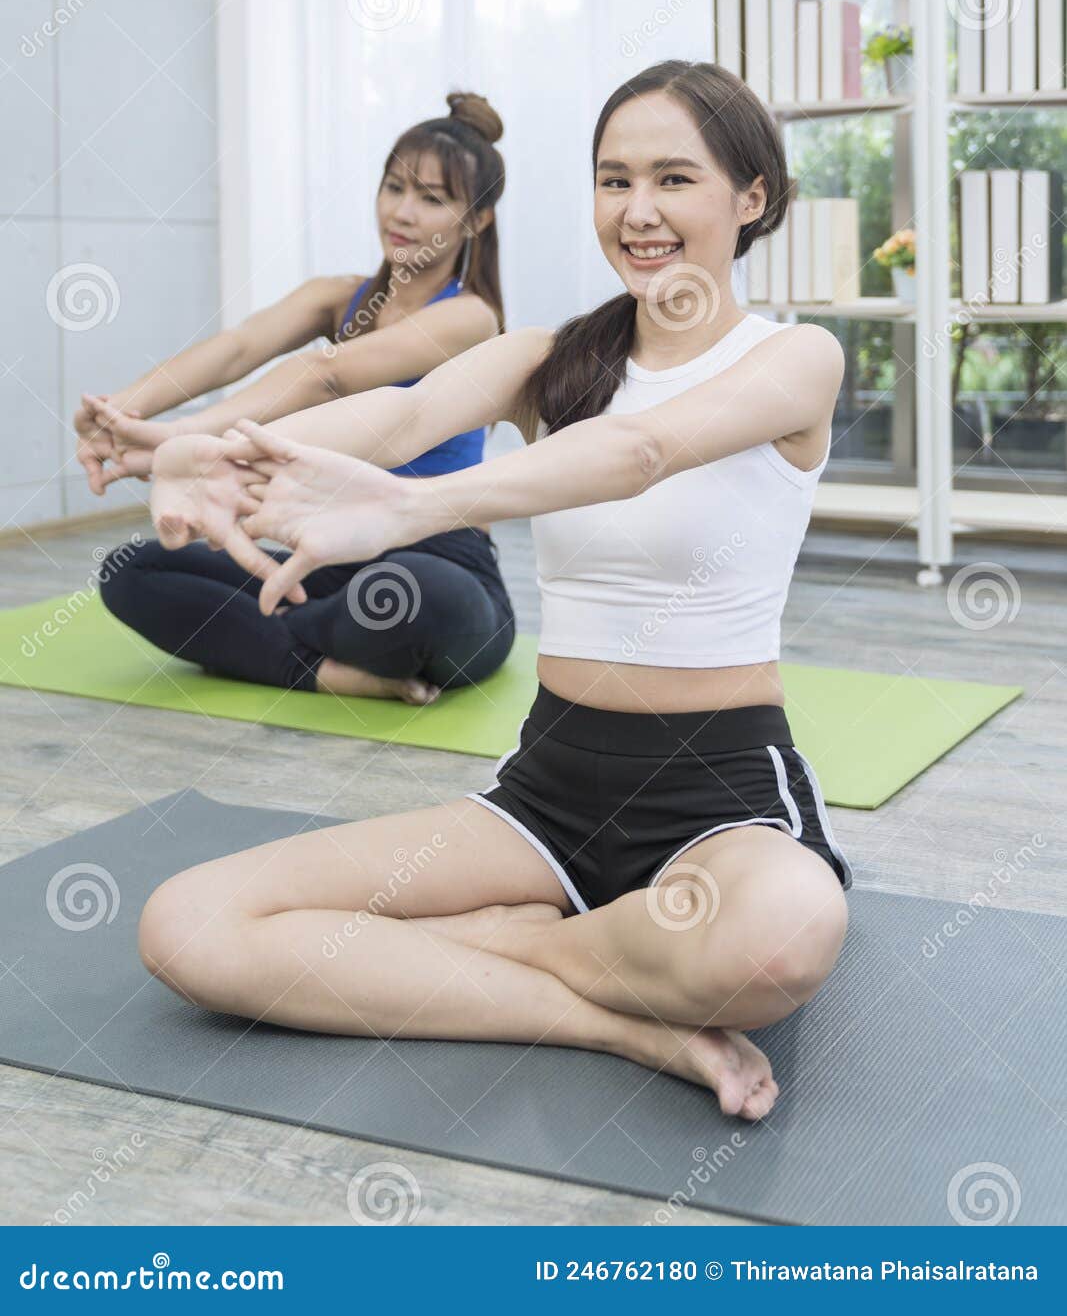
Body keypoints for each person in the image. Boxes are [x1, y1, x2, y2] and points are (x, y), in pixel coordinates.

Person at [136, 60, 851, 1121]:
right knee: (188, 923)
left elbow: (643, 448)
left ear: (750, 199)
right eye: (613, 181)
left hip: (719, 795)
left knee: (782, 933)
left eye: (672, 179)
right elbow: (383, 423)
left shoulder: (794, 359)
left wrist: (411, 508)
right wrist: (211, 453)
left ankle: (494, 947)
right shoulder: (547, 357)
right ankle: (605, 1012)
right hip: (545, 794)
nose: (637, 211)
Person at [80, 94, 514, 704]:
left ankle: (270, 639)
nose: (403, 212)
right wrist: (122, 412)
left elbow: (326, 374)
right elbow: (237, 348)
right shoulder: (337, 297)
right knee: (132, 571)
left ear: (476, 221)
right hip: (326, 552)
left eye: (433, 199)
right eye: (394, 187)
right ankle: (324, 667)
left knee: (422, 597)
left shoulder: (470, 317)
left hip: (439, 555)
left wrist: (185, 437)